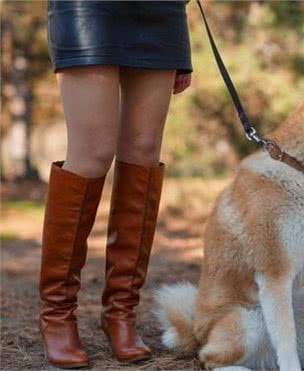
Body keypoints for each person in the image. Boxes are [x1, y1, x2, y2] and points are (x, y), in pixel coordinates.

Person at [40, 1, 192, 368]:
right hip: (87, 8)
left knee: (143, 151)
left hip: (160, 11)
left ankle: (120, 312)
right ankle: (57, 315)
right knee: (91, 153)